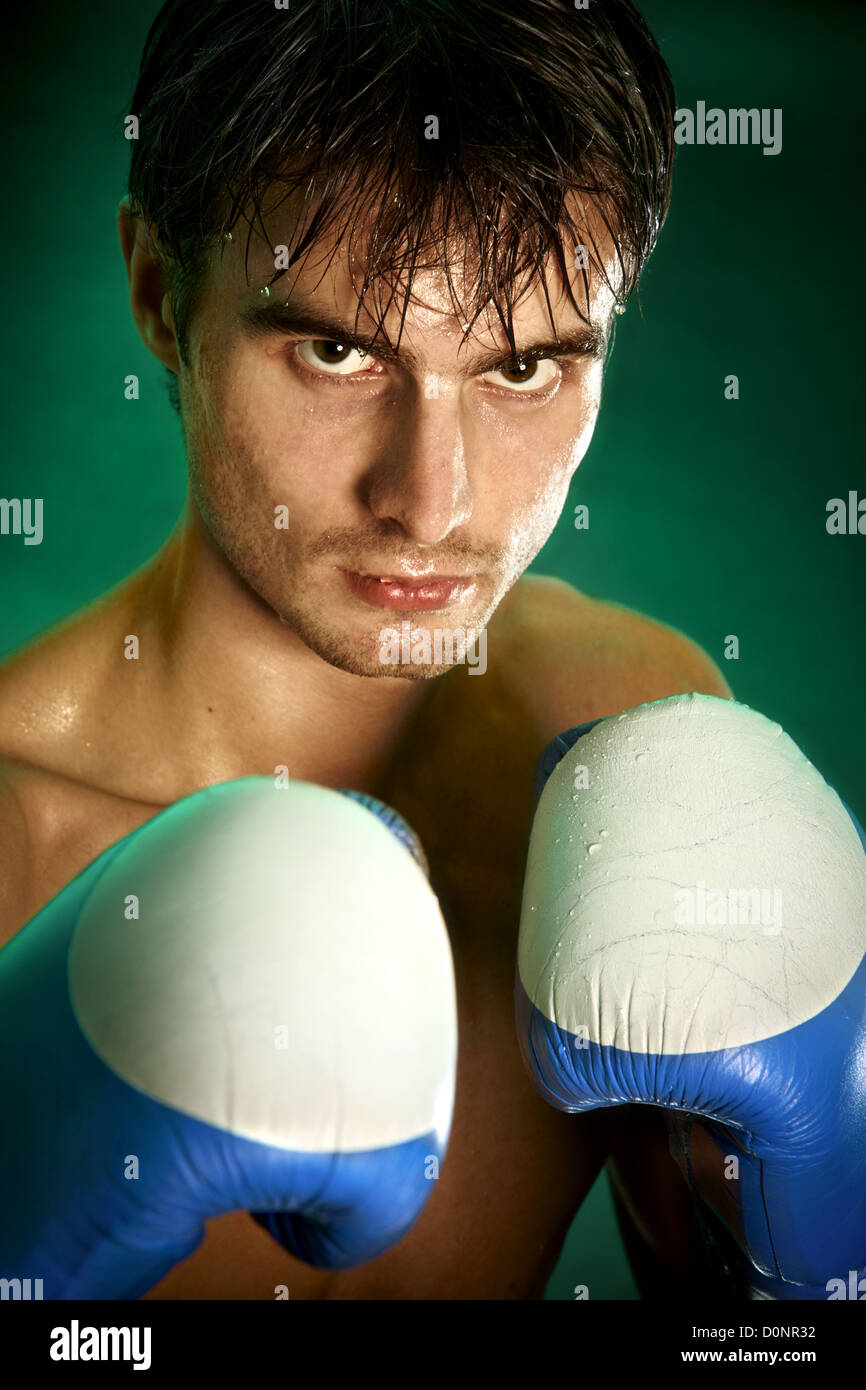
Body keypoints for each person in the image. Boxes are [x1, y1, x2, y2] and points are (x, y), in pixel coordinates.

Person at [0, 0, 749, 1300]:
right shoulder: (16, 849)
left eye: (523, 370)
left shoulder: (618, 745)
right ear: (157, 298)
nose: (433, 502)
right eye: (337, 350)